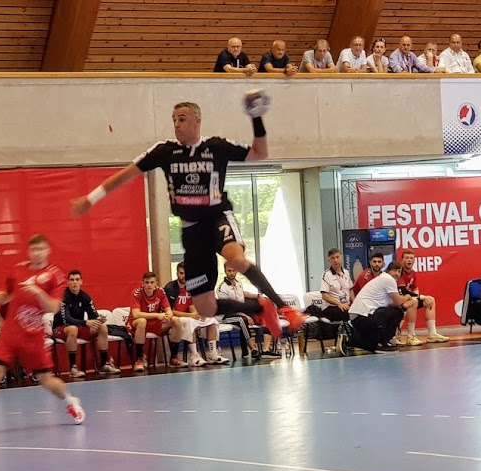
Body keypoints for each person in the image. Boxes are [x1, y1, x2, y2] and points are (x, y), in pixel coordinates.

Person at [71, 91, 305, 334]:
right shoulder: (164, 151)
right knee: (205, 308)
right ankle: (259, 306)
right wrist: (90, 199)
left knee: (235, 258)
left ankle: (283, 307)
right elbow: (125, 175)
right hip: (192, 230)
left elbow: (260, 153)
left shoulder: (216, 146)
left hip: (217, 217)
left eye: (182, 119)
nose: (176, 124)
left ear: (197, 121)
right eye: (174, 119)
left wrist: (256, 117)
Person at [0, 234, 85, 437]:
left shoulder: (55, 275)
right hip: (10, 335)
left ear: (48, 250)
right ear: (28, 251)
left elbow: (53, 307)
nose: (37, 253)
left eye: (41, 249)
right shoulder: (18, 270)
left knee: (46, 379)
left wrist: (38, 292)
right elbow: (7, 295)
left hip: (33, 336)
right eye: (33, 249)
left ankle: (71, 403)